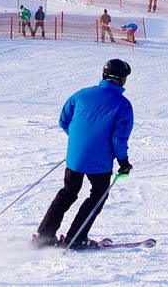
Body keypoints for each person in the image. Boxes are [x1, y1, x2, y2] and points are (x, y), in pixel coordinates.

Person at [33, 59, 134, 249]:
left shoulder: (81, 95)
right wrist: (124, 162)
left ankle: (44, 234)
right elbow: (119, 139)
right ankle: (75, 238)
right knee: (97, 196)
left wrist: (80, 142)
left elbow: (64, 121)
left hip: (75, 158)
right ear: (122, 79)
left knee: (68, 192)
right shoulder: (123, 105)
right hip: (100, 163)